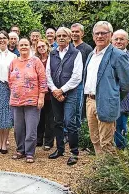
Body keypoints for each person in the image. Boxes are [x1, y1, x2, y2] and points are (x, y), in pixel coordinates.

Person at [83, 21, 129, 155]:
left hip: (106, 102)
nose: (99, 36)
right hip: (90, 101)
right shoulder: (91, 55)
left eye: (103, 33)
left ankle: (109, 170)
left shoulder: (118, 55)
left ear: (110, 35)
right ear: (93, 36)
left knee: (106, 142)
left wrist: (113, 97)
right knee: (95, 139)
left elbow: (127, 84)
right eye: (97, 33)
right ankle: (101, 167)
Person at [46, 27, 83, 166]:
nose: (61, 38)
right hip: (55, 92)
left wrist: (62, 90)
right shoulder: (53, 53)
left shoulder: (76, 53)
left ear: (69, 38)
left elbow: (77, 76)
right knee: (58, 122)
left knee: (70, 122)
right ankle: (60, 149)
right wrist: (55, 90)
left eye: (64, 35)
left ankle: (74, 152)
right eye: (58, 35)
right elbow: (48, 73)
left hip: (70, 92)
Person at [9, 38, 47, 163]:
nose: (23, 47)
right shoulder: (13, 62)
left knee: (31, 129)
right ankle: (20, 150)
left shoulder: (36, 61)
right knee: (18, 129)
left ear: (30, 46)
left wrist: (41, 97)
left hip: (32, 101)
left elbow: (43, 80)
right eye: (21, 45)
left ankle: (30, 152)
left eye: (26, 44)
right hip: (16, 101)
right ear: (18, 47)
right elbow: (10, 80)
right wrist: (16, 91)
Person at [71, 23, 94, 142]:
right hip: (68, 84)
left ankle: (80, 136)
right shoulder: (69, 47)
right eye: (73, 31)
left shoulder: (87, 48)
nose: (74, 34)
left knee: (79, 111)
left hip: (81, 85)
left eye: (77, 31)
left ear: (82, 33)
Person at [35, 39, 54, 151]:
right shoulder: (36, 60)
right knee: (39, 118)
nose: (41, 48)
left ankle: (48, 141)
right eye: (39, 47)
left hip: (51, 93)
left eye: (43, 46)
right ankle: (38, 139)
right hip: (38, 93)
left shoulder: (53, 58)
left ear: (47, 46)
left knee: (50, 118)